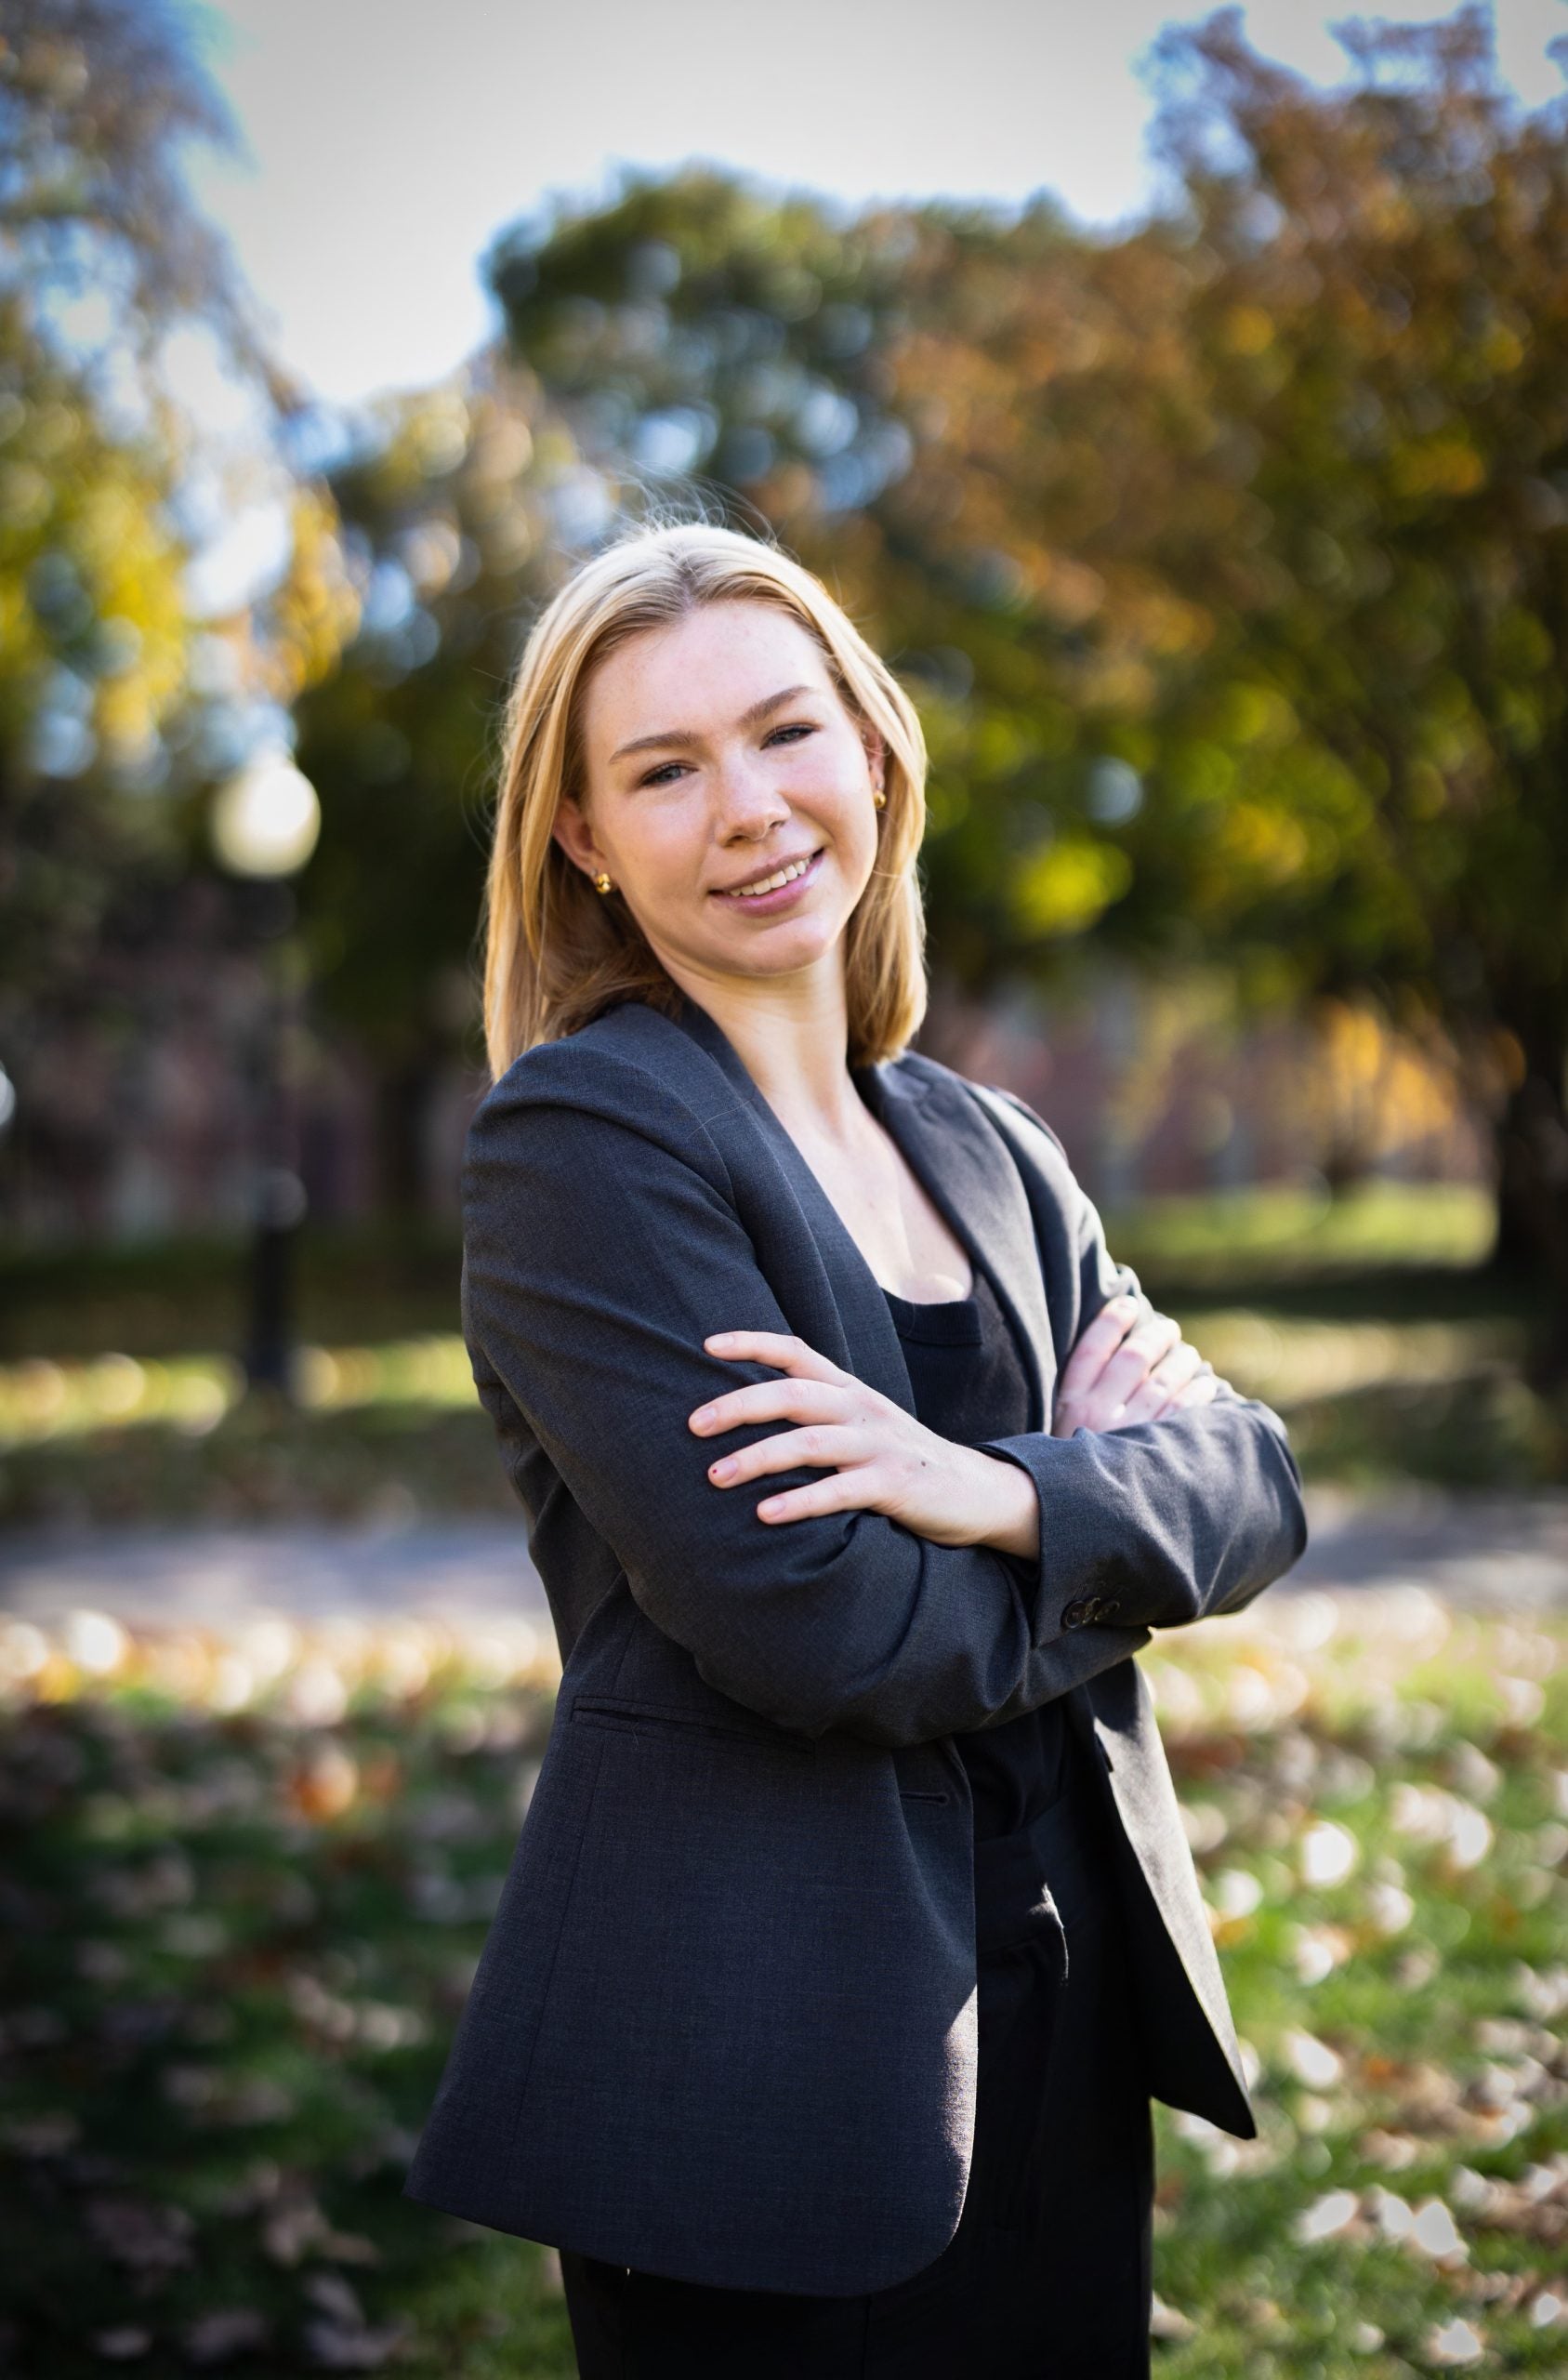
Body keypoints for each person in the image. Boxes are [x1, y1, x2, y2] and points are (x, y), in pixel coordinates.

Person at [402, 516, 1309, 2376]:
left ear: (875, 751)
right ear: (583, 836)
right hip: (756, 2056)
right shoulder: (586, 1140)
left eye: (783, 730)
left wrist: (990, 1490)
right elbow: (814, 1625)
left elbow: (1255, 1480)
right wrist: (1106, 1558)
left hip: (1063, 2002)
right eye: (663, 768)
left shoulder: (984, 1139)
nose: (747, 806)